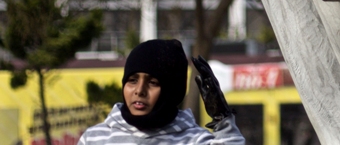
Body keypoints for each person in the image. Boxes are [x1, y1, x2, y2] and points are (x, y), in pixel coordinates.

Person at [78, 39, 245, 144]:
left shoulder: (194, 140)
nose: (139, 91)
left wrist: (223, 120)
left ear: (170, 91)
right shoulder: (94, 138)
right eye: (132, 80)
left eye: (152, 82)